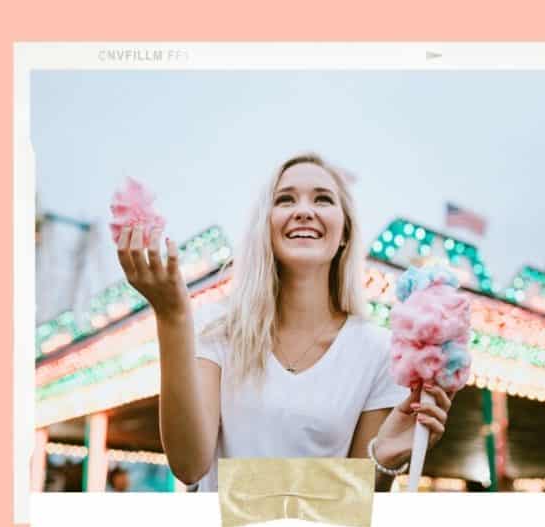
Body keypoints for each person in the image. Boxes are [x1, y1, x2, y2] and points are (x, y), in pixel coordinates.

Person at [116, 153, 453, 491]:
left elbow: (352, 503)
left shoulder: (378, 350)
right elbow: (189, 465)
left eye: (322, 199)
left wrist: (382, 459)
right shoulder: (217, 326)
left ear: (345, 232)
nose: (304, 210)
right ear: (266, 225)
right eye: (285, 199)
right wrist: (171, 316)